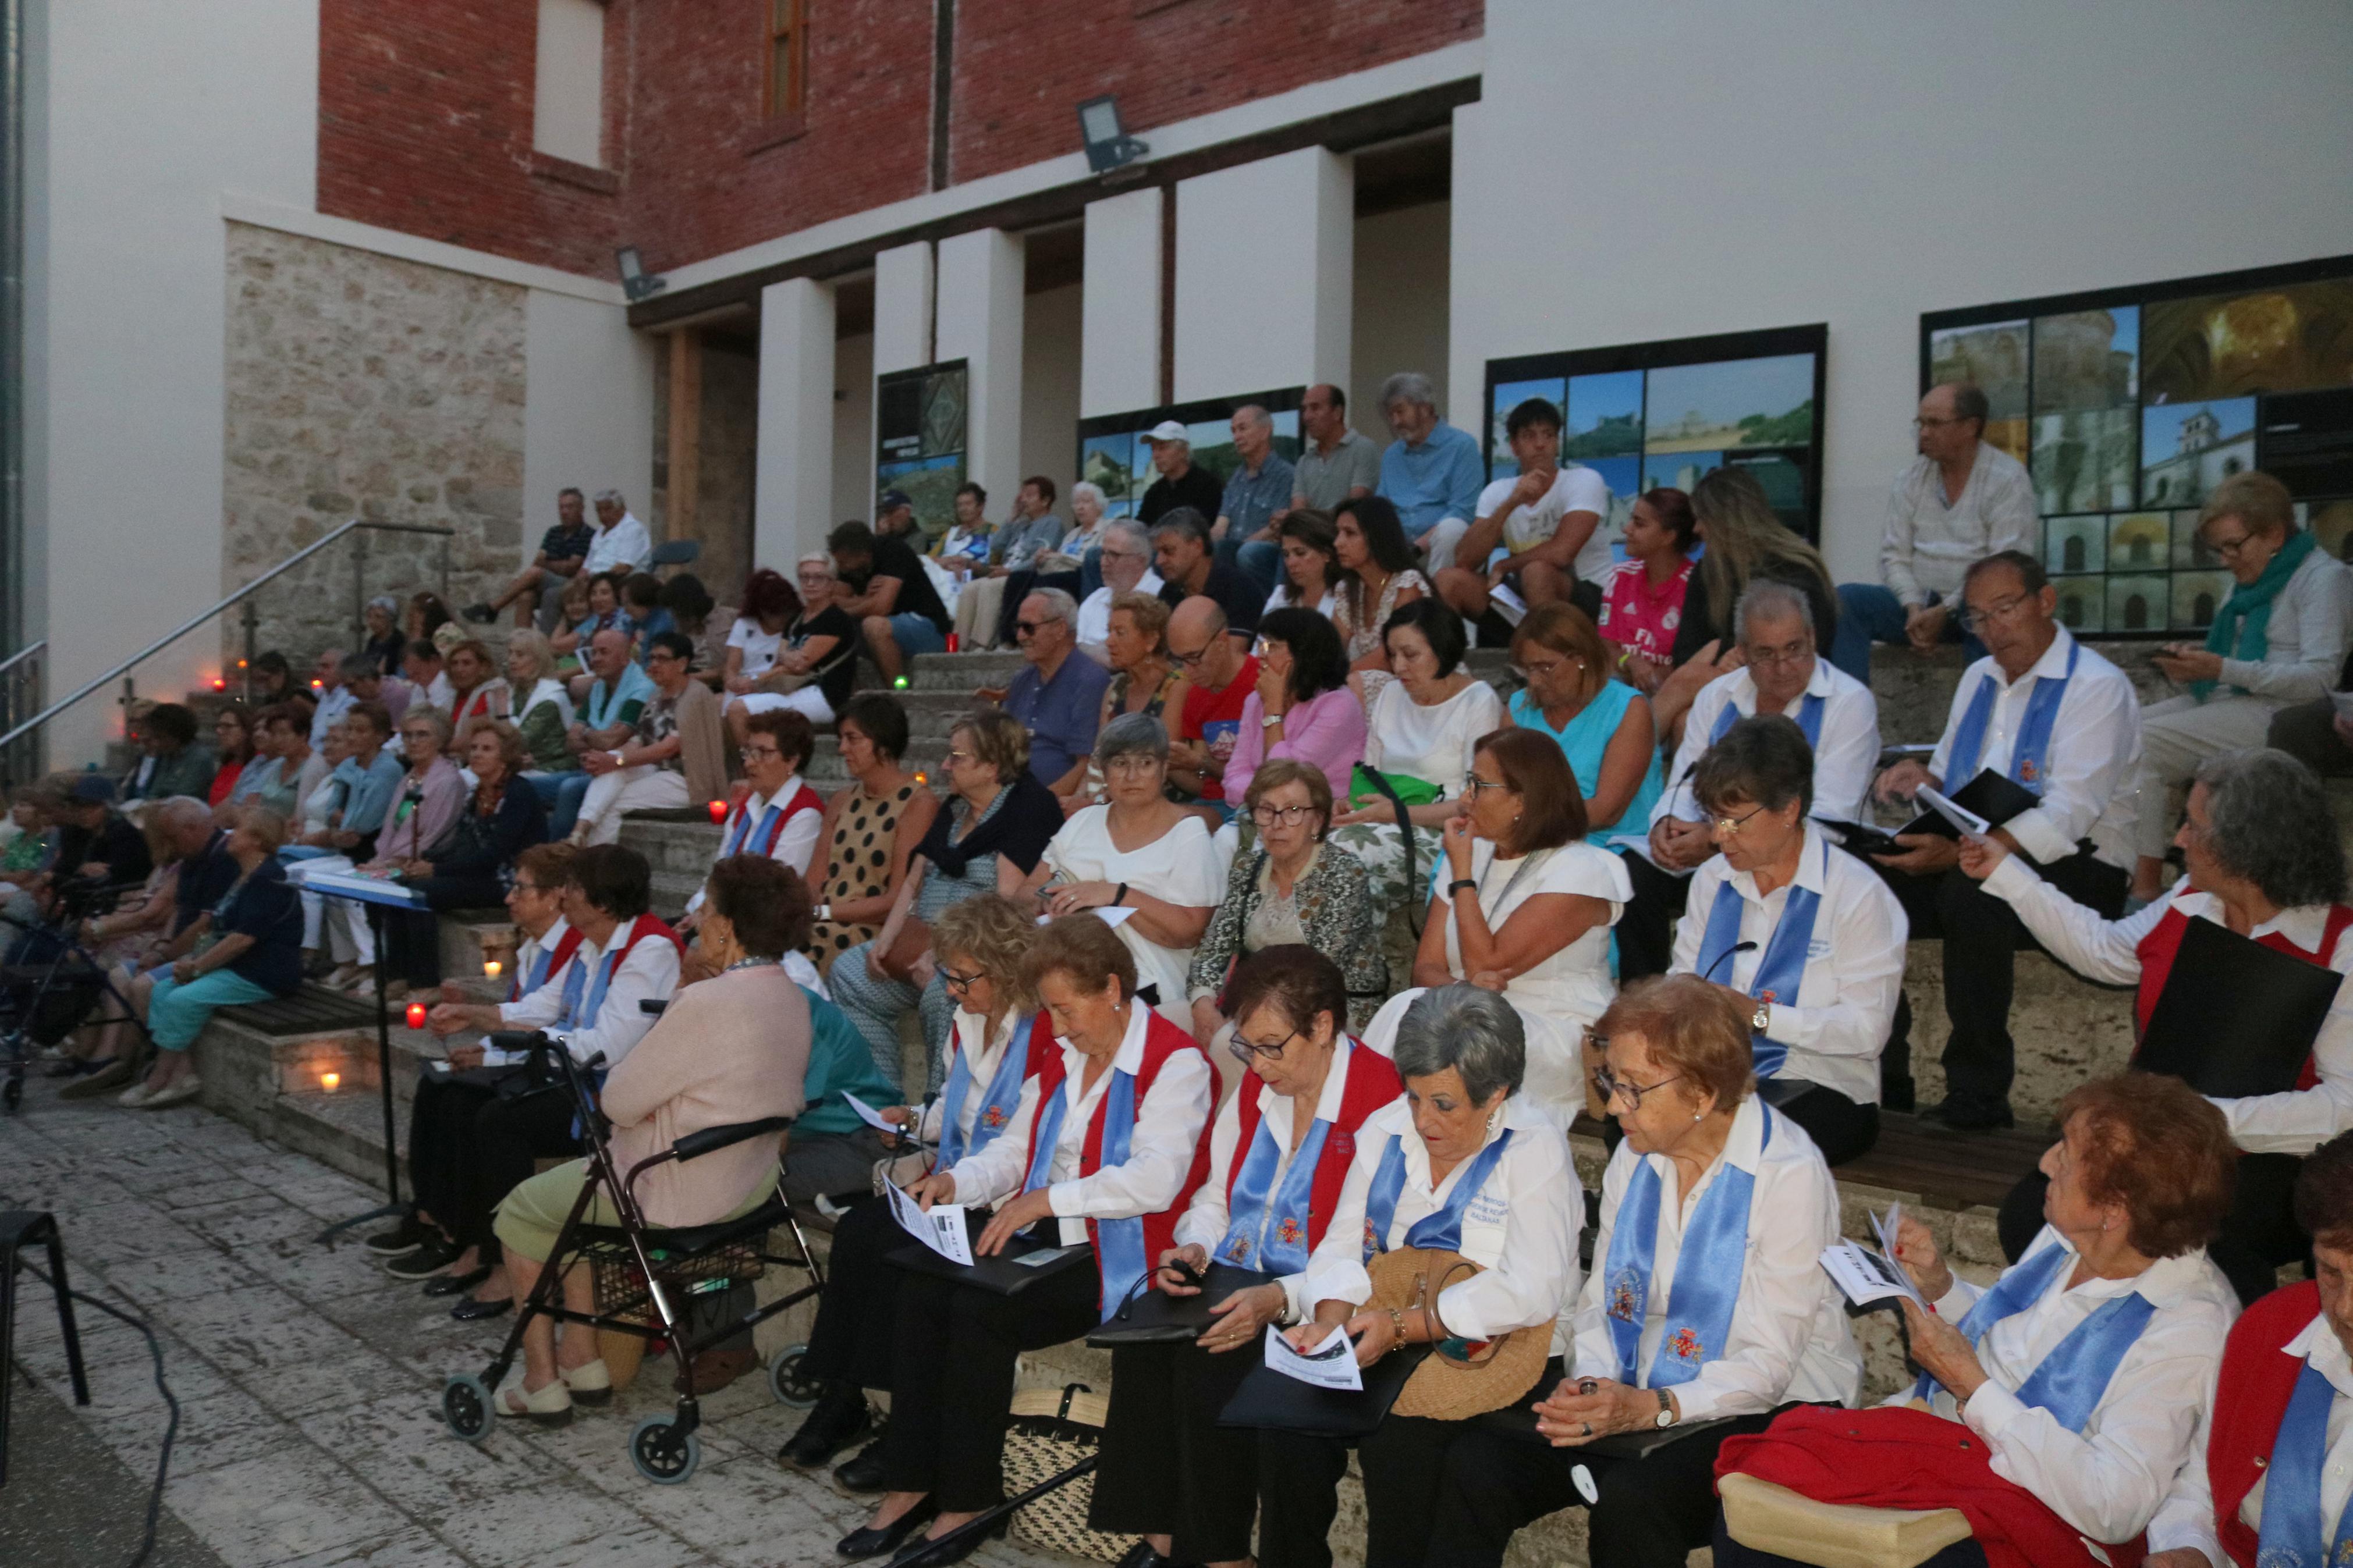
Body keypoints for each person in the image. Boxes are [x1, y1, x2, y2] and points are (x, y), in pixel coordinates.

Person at [1714, 1073, 2240, 1568]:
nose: (2044, 1162)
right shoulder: (2073, 1237)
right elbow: (2028, 1345)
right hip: (1946, 1450)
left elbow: (2112, 1505)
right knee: (1748, 1504)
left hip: (2027, 1512)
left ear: (2114, 1207)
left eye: (2068, 1155)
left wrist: (1972, 1383)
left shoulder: (2186, 1321)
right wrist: (1942, 1287)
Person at [1422, 975, 1858, 1568]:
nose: (1611, 1105)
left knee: (1635, 1499)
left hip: (1770, 1408)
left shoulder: (1786, 1173)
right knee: (1477, 1463)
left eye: (1632, 1088)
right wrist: (1595, 1387)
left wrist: (1648, 1407)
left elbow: (1767, 1364)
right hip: (1640, 1382)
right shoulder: (1637, 1152)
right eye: (1609, 1081)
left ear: (1702, 1091)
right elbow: (1603, 1302)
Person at [843, 913, 1214, 1565]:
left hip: (1115, 1250)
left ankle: (968, 1501)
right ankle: (912, 1482)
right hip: (1049, 1229)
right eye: (1050, 1012)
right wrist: (959, 1181)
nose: (1060, 1027)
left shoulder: (1176, 1063)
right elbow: (1016, 1147)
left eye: (1066, 1010)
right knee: (923, 1289)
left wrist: (1049, 1198)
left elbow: (1154, 1180)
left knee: (979, 1311)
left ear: (1111, 989)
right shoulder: (1067, 1051)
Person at [1963, 746, 2353, 1304]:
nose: (2178, 840)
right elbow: (2104, 950)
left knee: (2212, 1239)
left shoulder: (2340, 947)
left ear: (2248, 845)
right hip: (2155, 1138)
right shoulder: (2189, 902)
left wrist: (2200, 1121)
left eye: (2194, 826)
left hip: (2274, 1162)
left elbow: (2343, 1107)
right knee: (2033, 1210)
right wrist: (2004, 871)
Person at [1092, 947, 1403, 1568]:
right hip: (1245, 1270)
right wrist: (1196, 1244)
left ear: (1321, 1026)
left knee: (1213, 1359)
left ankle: (1217, 1552)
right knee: (1153, 1334)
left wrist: (1279, 1299)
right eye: (1246, 1048)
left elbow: (1363, 1247)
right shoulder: (1260, 1087)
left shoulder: (1382, 1101)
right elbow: (1217, 1195)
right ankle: (1179, 1537)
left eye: (1270, 1047)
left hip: (1327, 1297)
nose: (1257, 1066)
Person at [1254, 984, 1579, 1568]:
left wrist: (1403, 1325)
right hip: (1388, 1327)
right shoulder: (1387, 1129)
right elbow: (1341, 1246)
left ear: (1496, 1095)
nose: (1423, 1120)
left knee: (1399, 1444)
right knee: (1288, 1419)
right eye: (1414, 1097)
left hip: (1495, 1348)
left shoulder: (1533, 1150)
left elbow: (1532, 1288)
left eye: (1445, 1105)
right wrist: (1330, 1324)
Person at [482, 854, 796, 1422]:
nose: (696, 917)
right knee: (566, 1206)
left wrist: (682, 993)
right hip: (751, 1182)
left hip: (675, 1186)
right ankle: (582, 1356)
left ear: (726, 927)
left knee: (520, 1211)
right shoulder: (788, 993)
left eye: (706, 908)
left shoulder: (707, 1000)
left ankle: (541, 1379)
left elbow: (618, 1100)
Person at [778, 893, 1048, 1480]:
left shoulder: (1043, 1034)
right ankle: (844, 1397)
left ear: (1004, 970)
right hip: (961, 1176)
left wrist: (950, 1181)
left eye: (962, 977)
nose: (951, 989)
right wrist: (916, 1119)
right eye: (948, 974)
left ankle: (897, 1426)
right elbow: (963, 1109)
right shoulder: (970, 1021)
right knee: (857, 1234)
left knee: (903, 1258)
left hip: (1007, 1194)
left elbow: (1019, 1145)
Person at [1872, 550, 2143, 1129]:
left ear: (2043, 602)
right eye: (1977, 617)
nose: (1992, 630)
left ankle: (1978, 1094)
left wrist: (1963, 853)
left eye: (2004, 609)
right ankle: (1883, 1072)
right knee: (1867, 883)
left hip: (2081, 865)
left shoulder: (2097, 686)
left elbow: (2069, 813)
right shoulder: (1978, 678)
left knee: (1975, 894)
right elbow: (1952, 780)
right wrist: (1920, 783)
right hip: (1978, 846)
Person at [416, 845, 682, 1292]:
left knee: (499, 1122)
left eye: (572, 888)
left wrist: (528, 1041)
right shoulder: (595, 943)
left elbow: (607, 1046)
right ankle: (473, 1240)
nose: (563, 896)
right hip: (573, 1077)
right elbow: (547, 1004)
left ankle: (514, 1268)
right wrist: (480, 1016)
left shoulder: (649, 950)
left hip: (610, 1094)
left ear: (600, 902)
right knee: (461, 1100)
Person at [1670, 716, 1907, 1164]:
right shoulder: (1710, 880)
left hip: (1824, 1082)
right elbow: (1683, 978)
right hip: (1719, 1077)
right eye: (1714, 819)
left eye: (1734, 821)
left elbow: (1867, 1031)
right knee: (1636, 1118)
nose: (1719, 837)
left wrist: (1759, 1017)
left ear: (1788, 810)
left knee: (1733, 1139)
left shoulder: (1857, 894)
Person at [1621, 579, 1880, 982]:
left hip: (1802, 855)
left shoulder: (1848, 703)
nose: (1782, 667)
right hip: (1716, 846)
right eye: (1765, 654)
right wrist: (1667, 826)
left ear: (1812, 638)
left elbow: (1830, 817)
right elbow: (1685, 781)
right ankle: (1649, 1007)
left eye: (1794, 649)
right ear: (1741, 653)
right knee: (1634, 875)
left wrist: (1714, 835)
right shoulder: (1717, 696)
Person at [1376, 727, 1630, 1125]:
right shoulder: (1470, 850)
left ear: (1521, 799)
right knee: (1401, 1010)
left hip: (1551, 1029)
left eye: (1479, 785)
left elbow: (1485, 962)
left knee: (1465, 1036)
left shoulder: (1584, 870)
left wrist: (1462, 875)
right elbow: (1425, 967)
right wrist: (1463, 992)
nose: (1465, 798)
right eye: (1468, 782)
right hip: (1460, 1014)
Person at [368, 841, 577, 1318]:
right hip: (526, 1054)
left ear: (553, 897)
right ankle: (434, 1218)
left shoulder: (570, 948)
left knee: (474, 1109)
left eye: (520, 888)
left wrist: (485, 1040)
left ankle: (481, 1248)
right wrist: (482, 1049)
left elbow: (547, 1022)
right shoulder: (534, 944)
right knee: (435, 1085)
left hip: (554, 1064)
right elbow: (520, 1015)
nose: (508, 898)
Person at [2130, 471, 2353, 905]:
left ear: (2273, 533)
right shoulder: (2253, 576)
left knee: (2143, 743)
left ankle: (2145, 886)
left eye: (2234, 545)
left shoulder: (2323, 579)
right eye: (2219, 549)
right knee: (2123, 725)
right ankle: (2128, 867)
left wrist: (2225, 668)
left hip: (2285, 713)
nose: (2227, 558)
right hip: (2239, 699)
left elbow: (2320, 679)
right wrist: (2194, 666)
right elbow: (2232, 666)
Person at [2143, 1129, 2353, 1568]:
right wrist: (2190, 1548)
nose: (2345, 1308)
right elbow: (2202, 1488)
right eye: (2331, 1273)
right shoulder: (2270, 1331)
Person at [829, 711, 1063, 1093]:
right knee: (850, 972)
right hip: (925, 945)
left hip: (981, 956)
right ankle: (880, 1098)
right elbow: (913, 878)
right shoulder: (954, 809)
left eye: (956, 757)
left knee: (947, 993)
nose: (944, 766)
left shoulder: (1027, 809)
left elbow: (1005, 907)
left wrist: (945, 957)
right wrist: (887, 941)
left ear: (991, 766)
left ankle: (940, 1107)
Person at [1028, 714, 1226, 1030]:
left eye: (1145, 763)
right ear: (1104, 771)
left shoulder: (1187, 833)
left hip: (1148, 985)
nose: (1132, 775)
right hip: (1066, 969)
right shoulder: (1083, 822)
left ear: (1164, 769)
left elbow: (1191, 931)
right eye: (1120, 763)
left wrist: (1117, 894)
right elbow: (1027, 894)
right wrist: (1047, 902)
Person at [1827, 382, 2036, 681]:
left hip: (1974, 607)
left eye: (1935, 424)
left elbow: (2004, 568)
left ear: (1970, 427)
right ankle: (1848, 715)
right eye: (1921, 423)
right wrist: (1913, 607)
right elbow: (1894, 556)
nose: (1924, 433)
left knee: (1989, 600)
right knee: (1846, 601)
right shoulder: (1910, 480)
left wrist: (1946, 611)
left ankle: (1985, 713)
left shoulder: (2007, 480)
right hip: (1922, 603)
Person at [118, 806, 306, 1111]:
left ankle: (160, 1078)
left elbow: (242, 939)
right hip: (237, 967)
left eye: (240, 831)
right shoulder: (246, 876)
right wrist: (193, 961)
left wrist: (196, 967)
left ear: (257, 841)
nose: (231, 835)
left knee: (181, 1000)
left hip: (263, 973)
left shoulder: (269, 880)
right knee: (161, 991)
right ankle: (181, 1075)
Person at [1328, 599, 1503, 920]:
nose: (1398, 667)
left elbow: (1476, 803)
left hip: (1444, 833)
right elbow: (1371, 774)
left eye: (1410, 655)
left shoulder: (1478, 702)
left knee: (1341, 857)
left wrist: (1397, 814)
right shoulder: (1391, 695)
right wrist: (1352, 803)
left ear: (1444, 649)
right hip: (1383, 820)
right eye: (1392, 655)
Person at [1187, 760, 1387, 1042]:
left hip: (1328, 1017)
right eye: (1267, 810)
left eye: (1293, 811)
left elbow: (1318, 972)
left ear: (1317, 820)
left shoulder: (1344, 873)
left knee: (1225, 1045)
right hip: (1255, 1005)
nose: (1277, 824)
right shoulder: (1248, 868)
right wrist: (1203, 1003)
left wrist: (1243, 1018)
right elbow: (1212, 950)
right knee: (1171, 1023)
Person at [1653, 466, 1840, 743]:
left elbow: (1810, 644)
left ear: (1725, 519)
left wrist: (1731, 653)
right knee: (1684, 720)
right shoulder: (1708, 572)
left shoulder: (1795, 570)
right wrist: (1724, 658)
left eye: (1703, 518)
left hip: (1787, 679)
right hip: (1729, 682)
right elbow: (1686, 652)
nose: (1697, 529)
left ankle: (1618, 757)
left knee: (1687, 680)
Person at [377, 721, 549, 995]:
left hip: (509, 880)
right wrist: (425, 860)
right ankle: (398, 973)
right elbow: (461, 842)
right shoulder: (476, 794)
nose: (477, 754)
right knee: (399, 885)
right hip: (481, 873)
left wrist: (435, 869)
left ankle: (426, 982)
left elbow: (494, 855)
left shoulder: (519, 794)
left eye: (487, 749)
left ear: (505, 756)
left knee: (422, 893)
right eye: (474, 748)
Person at [326, 706, 469, 994]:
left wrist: (390, 863)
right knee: (357, 884)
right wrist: (380, 859)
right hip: (395, 858)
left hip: (426, 859)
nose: (414, 742)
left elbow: (434, 834)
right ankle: (391, 969)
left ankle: (415, 977)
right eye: (408, 735)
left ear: (440, 740)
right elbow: (393, 826)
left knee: (400, 888)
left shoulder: (447, 781)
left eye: (422, 735)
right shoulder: (410, 779)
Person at [1435, 396, 1612, 625]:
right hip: (1524, 601)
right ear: (1514, 446)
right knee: (1448, 580)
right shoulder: (1499, 491)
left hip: (1590, 599)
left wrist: (1504, 565)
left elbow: (1562, 553)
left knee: (1536, 572)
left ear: (1557, 443)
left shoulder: (1584, 480)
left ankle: (1546, 655)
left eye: (1548, 435)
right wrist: (1511, 503)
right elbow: (1465, 560)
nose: (1540, 444)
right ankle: (1446, 658)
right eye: (1530, 436)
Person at [806, 693, 940, 977]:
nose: (843, 749)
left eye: (853, 739)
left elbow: (896, 899)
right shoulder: (842, 800)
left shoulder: (918, 804)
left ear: (882, 742)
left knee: (816, 941)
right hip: (823, 919)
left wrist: (824, 914)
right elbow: (814, 880)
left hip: (869, 928)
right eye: (842, 739)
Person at [1504, 602, 1663, 832]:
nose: (1534, 682)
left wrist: (1517, 821)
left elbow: (1605, 812)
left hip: (1612, 847)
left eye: (1545, 668)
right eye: (1527, 670)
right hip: (1533, 840)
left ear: (1581, 658)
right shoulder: (1519, 707)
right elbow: (1504, 790)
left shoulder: (1627, 708)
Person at [682, 709, 824, 938]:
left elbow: (776, 891)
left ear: (792, 761)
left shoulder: (805, 813)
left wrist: (709, 919)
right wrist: (698, 911)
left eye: (763, 753)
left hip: (760, 930)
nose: (749, 763)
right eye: (748, 752)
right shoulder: (748, 804)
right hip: (721, 917)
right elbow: (719, 871)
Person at [570, 631, 714, 847]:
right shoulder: (656, 696)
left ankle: (593, 860)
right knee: (612, 768)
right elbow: (637, 742)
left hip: (687, 780)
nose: (654, 664)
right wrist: (608, 758)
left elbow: (669, 748)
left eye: (662, 659)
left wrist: (617, 760)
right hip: (656, 772)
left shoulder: (695, 696)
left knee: (614, 802)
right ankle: (578, 835)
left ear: (682, 663)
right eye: (652, 658)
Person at [1223, 606, 1364, 808]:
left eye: (1271, 646)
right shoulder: (1255, 701)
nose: (1261, 656)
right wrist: (1264, 797)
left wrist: (1273, 709)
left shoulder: (1338, 705)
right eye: (1260, 646)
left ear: (1304, 653)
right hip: (1261, 814)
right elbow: (1233, 778)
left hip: (1323, 820)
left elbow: (1285, 779)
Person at [1067, 592, 1188, 809]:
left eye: (1120, 633)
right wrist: (1078, 799)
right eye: (1109, 632)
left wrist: (1091, 805)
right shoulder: (1117, 689)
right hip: (1107, 799)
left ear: (1151, 640)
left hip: (1150, 803)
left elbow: (1161, 761)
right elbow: (1099, 757)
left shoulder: (1176, 686)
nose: (1109, 641)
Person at [999, 588, 1110, 792]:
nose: (1021, 636)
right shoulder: (1022, 681)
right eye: (1018, 627)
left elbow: (1086, 765)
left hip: (1057, 807)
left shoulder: (1090, 681)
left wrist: (1041, 805)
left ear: (1060, 629)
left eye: (1029, 627)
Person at [728, 556, 857, 733]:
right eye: (804, 577)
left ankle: (752, 759)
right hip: (793, 690)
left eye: (819, 578)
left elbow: (800, 665)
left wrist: (756, 680)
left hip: (823, 695)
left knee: (739, 709)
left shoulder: (835, 620)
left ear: (832, 584)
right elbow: (782, 662)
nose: (810, 583)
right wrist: (786, 660)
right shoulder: (796, 621)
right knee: (731, 705)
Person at [1374, 370, 1484, 576]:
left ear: (1425, 408)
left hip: (1444, 548)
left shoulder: (1462, 447)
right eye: (1391, 415)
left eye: (1400, 412)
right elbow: (1381, 508)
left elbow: (1463, 511)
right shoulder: (1392, 455)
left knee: (1452, 528)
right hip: (1399, 548)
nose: (1396, 422)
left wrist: (1418, 547)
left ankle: (1436, 605)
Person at [1329, 495, 1430, 710]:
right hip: (1373, 679)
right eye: (1337, 533)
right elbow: (1332, 648)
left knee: (1352, 685)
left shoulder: (1407, 584)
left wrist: (1332, 676)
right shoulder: (1349, 590)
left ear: (1376, 537)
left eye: (1350, 534)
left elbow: (1390, 656)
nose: (1338, 542)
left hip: (1417, 682)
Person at [1595, 487, 1698, 695]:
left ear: (1668, 536)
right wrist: (1631, 662)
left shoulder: (1695, 585)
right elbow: (1605, 646)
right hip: (1621, 688)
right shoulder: (1621, 576)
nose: (1627, 529)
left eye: (1639, 524)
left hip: (1674, 693)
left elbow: (1695, 659)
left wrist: (1659, 676)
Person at [1165, 598, 1262, 810]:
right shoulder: (1195, 693)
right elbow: (1204, 783)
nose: (1188, 670)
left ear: (1222, 641)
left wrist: (1201, 763)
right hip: (1213, 803)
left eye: (1194, 657)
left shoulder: (1262, 683)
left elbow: (1269, 779)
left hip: (1256, 805)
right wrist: (1174, 765)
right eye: (1179, 660)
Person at [832, 518, 953, 684]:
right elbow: (833, 601)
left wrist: (848, 609)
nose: (841, 567)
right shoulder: (848, 566)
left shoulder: (893, 551)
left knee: (874, 626)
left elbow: (882, 608)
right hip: (892, 628)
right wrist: (866, 599)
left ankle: (899, 691)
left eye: (843, 562)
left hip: (929, 627)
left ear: (864, 555)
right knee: (834, 627)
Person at [464, 485, 599, 627]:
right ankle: (524, 642)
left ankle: (493, 607)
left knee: (535, 573)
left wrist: (546, 565)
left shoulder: (588, 534)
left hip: (571, 584)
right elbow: (538, 561)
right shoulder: (554, 532)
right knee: (525, 596)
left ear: (581, 509)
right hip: (547, 582)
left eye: (570, 507)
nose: (564, 512)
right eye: (562, 507)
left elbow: (570, 568)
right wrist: (550, 567)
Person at [962, 475, 1065, 652]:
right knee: (971, 588)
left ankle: (982, 644)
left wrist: (1010, 571)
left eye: (1030, 495)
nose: (1024, 499)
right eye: (1022, 494)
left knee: (989, 587)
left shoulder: (1053, 524)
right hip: (1004, 572)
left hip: (1023, 575)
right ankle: (961, 644)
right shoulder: (1020, 524)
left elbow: (1041, 559)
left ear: (1046, 500)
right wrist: (1012, 517)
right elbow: (996, 545)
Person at [1212, 404, 1296, 599]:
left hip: (1265, 551)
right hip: (1235, 549)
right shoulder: (1236, 478)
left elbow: (1275, 529)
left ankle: (1266, 610)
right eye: (1233, 431)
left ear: (1265, 431)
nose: (1236, 437)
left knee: (1247, 553)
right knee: (1216, 550)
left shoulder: (1285, 475)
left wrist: (1240, 546)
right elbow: (1221, 524)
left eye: (1243, 429)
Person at [1154, 508, 1262, 641]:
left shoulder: (1238, 589)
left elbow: (1233, 657)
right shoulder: (1169, 592)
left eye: (1168, 551)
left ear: (1197, 546)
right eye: (1158, 552)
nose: (1159, 561)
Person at [1288, 382, 1382, 515]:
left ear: (1337, 413)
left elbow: (1355, 505)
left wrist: (1311, 524)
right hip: (1311, 533)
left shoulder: (1364, 449)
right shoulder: (1304, 461)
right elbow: (1298, 510)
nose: (1307, 417)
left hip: (1347, 533)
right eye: (1304, 410)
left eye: (1315, 408)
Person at [1076, 519, 1165, 655]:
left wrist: (1085, 649)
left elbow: (1126, 659)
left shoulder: (1161, 597)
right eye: (1103, 553)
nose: (1104, 562)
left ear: (1140, 560)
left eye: (1114, 555)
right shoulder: (1095, 599)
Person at [502, 631, 576, 777]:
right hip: (519, 764)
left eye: (520, 655)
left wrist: (500, 713)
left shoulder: (551, 698)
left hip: (551, 768)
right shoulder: (516, 690)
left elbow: (517, 743)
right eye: (510, 653)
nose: (512, 660)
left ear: (538, 660)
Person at [1137, 420, 1226, 527]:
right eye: (1153, 449)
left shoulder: (1207, 485)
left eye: (1162, 448)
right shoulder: (1154, 493)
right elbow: (1141, 528)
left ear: (1183, 451)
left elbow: (1204, 529)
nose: (1155, 456)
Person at [121, 703, 214, 804]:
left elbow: (183, 796)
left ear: (175, 735)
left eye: (161, 738)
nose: (157, 744)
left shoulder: (199, 758)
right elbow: (155, 790)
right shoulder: (167, 755)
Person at [551, 569, 631, 675]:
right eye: (594, 594)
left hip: (613, 672)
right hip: (588, 669)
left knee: (577, 686)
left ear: (616, 595)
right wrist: (565, 616)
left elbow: (606, 660)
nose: (598, 599)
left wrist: (564, 674)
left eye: (604, 593)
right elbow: (555, 646)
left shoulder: (623, 619)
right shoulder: (596, 620)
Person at [1266, 507, 1341, 618]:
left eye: (1300, 553)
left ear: (1327, 554)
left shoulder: (1344, 601)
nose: (1291, 563)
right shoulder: (1281, 595)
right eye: (1286, 554)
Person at [581, 488, 654, 577]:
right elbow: (587, 566)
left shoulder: (633, 529)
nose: (603, 515)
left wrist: (596, 581)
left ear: (622, 509)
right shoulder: (600, 532)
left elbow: (624, 567)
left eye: (608, 509)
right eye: (599, 511)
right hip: (594, 580)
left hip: (620, 580)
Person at [445, 639, 509, 737]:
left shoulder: (488, 695)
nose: (459, 669)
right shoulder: (453, 698)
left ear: (483, 667)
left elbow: (467, 740)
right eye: (454, 663)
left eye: (466, 663)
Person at [203, 704, 255, 809]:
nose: (220, 731)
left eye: (228, 726)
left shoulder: (258, 764)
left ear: (246, 730)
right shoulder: (228, 763)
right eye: (219, 726)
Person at [308, 649, 356, 748]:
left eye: (326, 667)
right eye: (319, 666)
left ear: (343, 670)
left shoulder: (350, 698)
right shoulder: (325, 696)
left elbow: (335, 740)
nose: (319, 671)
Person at [400, 637, 453, 713]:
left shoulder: (450, 686)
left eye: (417, 673)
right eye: (411, 676)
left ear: (433, 661)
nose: (414, 680)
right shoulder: (418, 688)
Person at [360, 593, 407, 674]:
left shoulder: (399, 642)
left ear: (391, 619)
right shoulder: (373, 641)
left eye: (379, 617)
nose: (372, 622)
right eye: (369, 617)